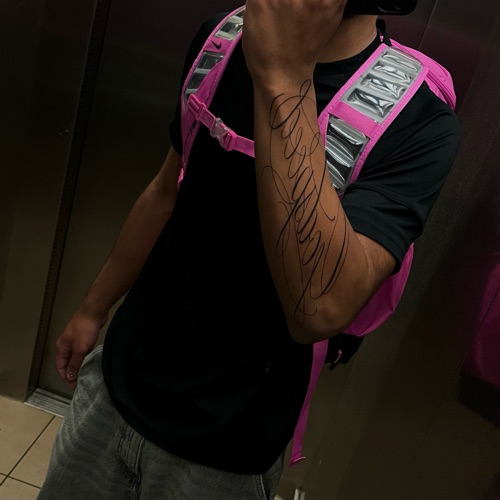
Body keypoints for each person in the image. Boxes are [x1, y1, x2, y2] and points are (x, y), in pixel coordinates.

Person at [37, 1, 461, 499]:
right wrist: (92, 309)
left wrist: (285, 78)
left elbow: (320, 307)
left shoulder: (417, 119)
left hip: (228, 447)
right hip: (114, 389)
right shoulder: (221, 40)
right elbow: (166, 192)